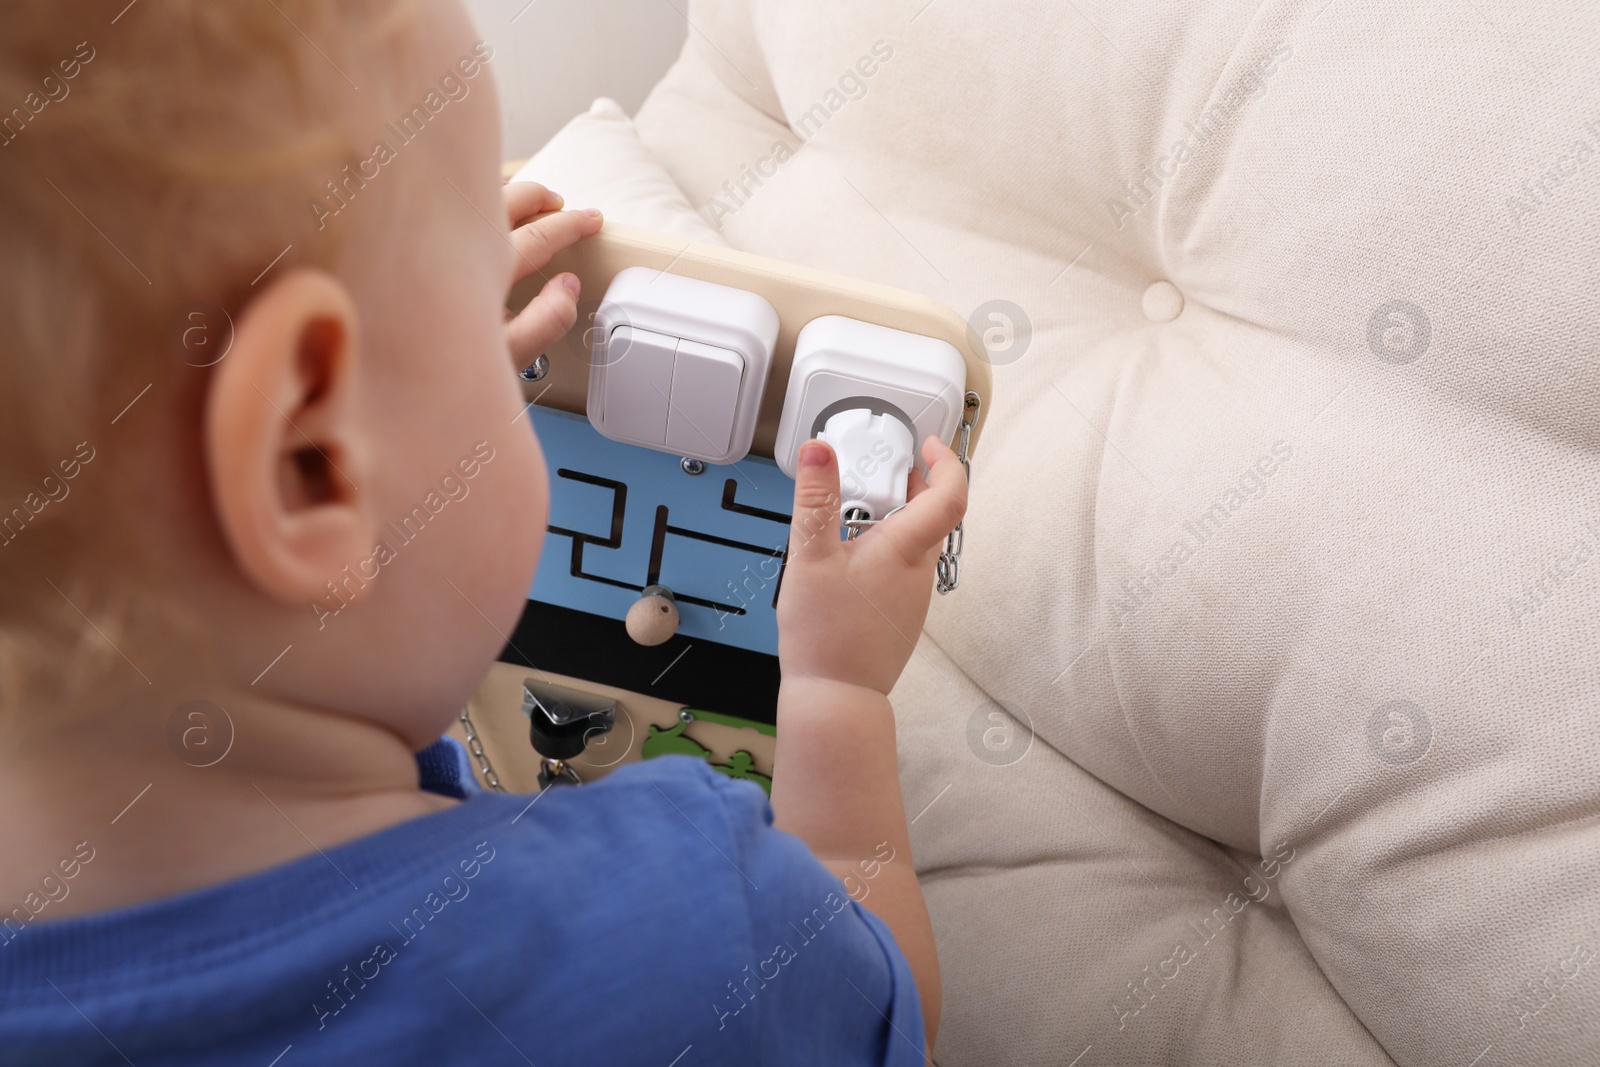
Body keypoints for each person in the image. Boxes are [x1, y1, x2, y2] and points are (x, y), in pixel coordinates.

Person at [0, 2, 966, 1064]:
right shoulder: (691, 927)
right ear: (308, 462)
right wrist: (836, 694)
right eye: (475, 301)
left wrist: (404, 390)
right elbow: (886, 1010)